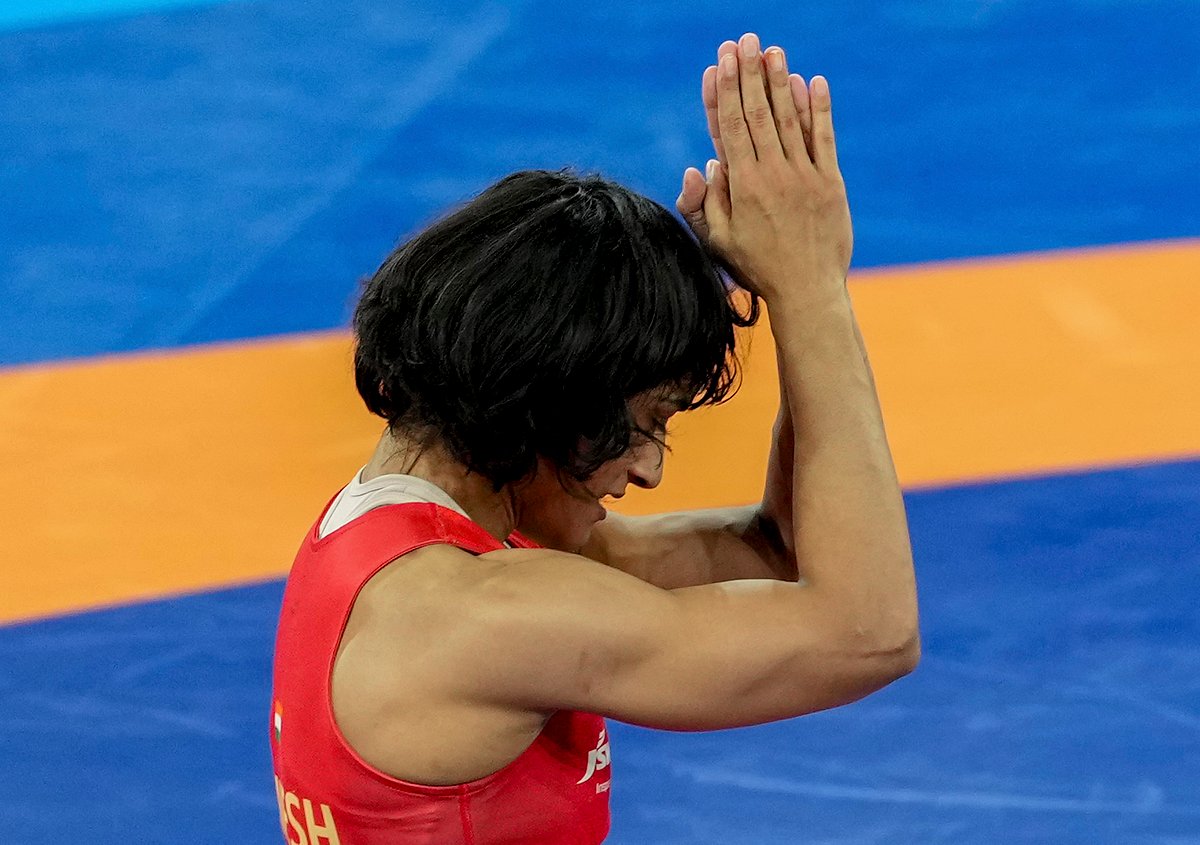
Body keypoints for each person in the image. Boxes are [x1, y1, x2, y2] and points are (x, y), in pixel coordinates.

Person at [270, 32, 919, 845]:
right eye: (648, 422)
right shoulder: (479, 616)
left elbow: (785, 554)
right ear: (552, 398)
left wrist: (792, 287)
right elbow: (869, 634)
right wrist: (812, 289)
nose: (648, 471)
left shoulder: (413, 538)